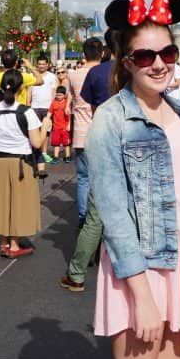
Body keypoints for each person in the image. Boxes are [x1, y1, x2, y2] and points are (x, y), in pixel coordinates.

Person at [85, 0, 180, 359]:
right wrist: (142, 295)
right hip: (143, 269)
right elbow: (113, 213)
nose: (159, 63)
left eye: (168, 52)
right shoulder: (111, 119)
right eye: (145, 56)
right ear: (126, 62)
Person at [59, 36, 116, 295]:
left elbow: (93, 108)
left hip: (97, 139)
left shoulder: (92, 73)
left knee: (94, 213)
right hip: (130, 144)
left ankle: (78, 272)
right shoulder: (135, 70)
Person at [0, 69, 44, 258]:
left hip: (0, 161)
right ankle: (14, 245)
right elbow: (37, 143)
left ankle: (4, 242)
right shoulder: (25, 111)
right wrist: (46, 128)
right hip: (21, 162)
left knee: (4, 201)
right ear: (22, 87)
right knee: (20, 202)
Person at [69, 38, 103, 225]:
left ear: (83, 55)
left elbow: (73, 99)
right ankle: (98, 218)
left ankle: (83, 217)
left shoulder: (73, 75)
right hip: (100, 132)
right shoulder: (104, 73)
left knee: (83, 178)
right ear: (102, 54)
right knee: (101, 178)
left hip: (80, 133)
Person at [29, 55, 59, 170]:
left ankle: (44, 152)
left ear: (47, 65)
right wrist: (28, 104)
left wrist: (52, 107)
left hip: (47, 107)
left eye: (43, 64)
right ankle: (36, 152)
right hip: (35, 107)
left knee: (46, 131)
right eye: (39, 64)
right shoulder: (33, 76)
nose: (41, 66)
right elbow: (29, 90)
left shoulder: (52, 77)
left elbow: (54, 92)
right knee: (34, 130)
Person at [48, 86, 72, 163]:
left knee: (66, 143)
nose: (58, 97)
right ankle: (56, 157)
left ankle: (67, 156)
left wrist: (69, 125)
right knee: (56, 143)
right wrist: (47, 119)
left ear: (64, 95)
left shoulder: (67, 103)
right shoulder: (53, 103)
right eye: (57, 95)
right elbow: (50, 112)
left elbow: (70, 115)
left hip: (65, 127)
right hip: (56, 127)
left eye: (60, 95)